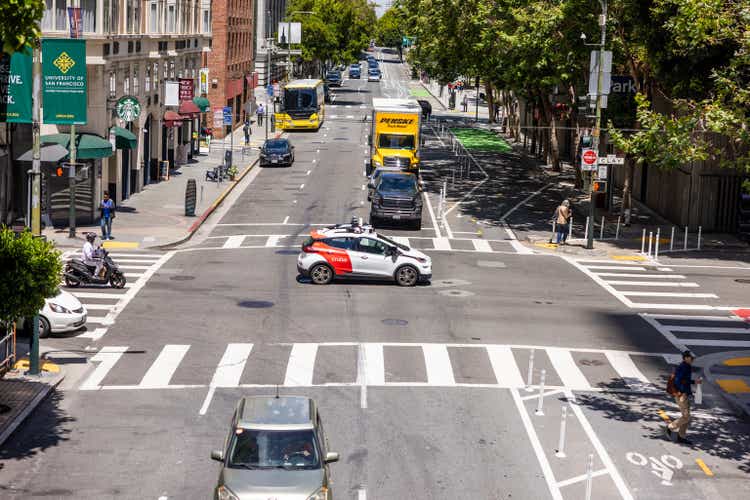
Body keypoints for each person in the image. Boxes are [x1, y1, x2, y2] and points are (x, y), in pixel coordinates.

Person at [665, 350, 702, 445]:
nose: (693, 359)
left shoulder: (687, 366)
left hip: (685, 394)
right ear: (686, 358)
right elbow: (678, 381)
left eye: (693, 358)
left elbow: (685, 380)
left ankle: (681, 436)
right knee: (686, 416)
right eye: (691, 358)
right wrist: (682, 392)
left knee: (686, 416)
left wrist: (694, 382)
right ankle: (670, 427)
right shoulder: (684, 367)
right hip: (682, 394)